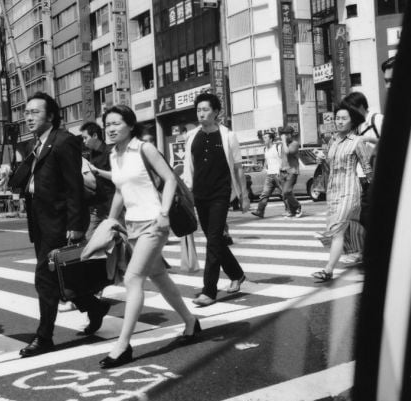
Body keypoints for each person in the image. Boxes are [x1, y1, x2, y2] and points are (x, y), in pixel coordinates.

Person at [100, 105, 199, 368]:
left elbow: (169, 179)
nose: (110, 128)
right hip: (132, 225)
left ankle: (122, 346)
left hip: (154, 223)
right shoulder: (114, 155)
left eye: (116, 123)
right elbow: (121, 190)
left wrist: (164, 212)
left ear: (130, 125)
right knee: (159, 276)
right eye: (107, 124)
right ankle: (190, 321)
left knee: (132, 278)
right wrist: (111, 220)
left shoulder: (144, 148)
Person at [14, 92, 110, 358]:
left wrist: (76, 224)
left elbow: (73, 187)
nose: (28, 117)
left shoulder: (63, 141)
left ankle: (44, 337)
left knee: (44, 279)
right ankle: (94, 306)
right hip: (41, 223)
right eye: (27, 112)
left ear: (52, 115)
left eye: (35, 112)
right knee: (61, 277)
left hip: (59, 223)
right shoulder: (39, 143)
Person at [181, 93, 249, 307]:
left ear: (216, 112)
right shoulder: (192, 137)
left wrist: (244, 196)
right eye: (198, 110)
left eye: (205, 109)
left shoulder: (228, 136)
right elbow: (188, 168)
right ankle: (237, 274)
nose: (201, 113)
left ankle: (209, 291)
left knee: (213, 240)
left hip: (221, 194)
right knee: (215, 239)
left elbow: (238, 168)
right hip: (200, 194)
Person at [311, 102, 373, 282]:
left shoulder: (357, 142)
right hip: (333, 192)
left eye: (343, 118)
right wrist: (322, 159)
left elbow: (367, 168)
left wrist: (376, 187)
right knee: (342, 230)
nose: (339, 121)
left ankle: (328, 270)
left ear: (352, 121)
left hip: (349, 190)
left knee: (337, 230)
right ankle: (371, 253)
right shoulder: (332, 141)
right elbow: (329, 169)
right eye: (337, 118)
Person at [342, 91, 383, 228]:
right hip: (362, 177)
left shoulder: (377, 119)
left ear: (359, 106)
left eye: (349, 110)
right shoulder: (359, 126)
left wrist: (367, 139)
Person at [79, 121, 115, 240]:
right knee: (89, 239)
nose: (84, 141)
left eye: (85, 138)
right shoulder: (90, 154)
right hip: (96, 207)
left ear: (95, 136)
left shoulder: (110, 152)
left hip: (113, 205)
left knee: (121, 240)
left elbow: (117, 176)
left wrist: (97, 171)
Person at [250, 130, 286, 219]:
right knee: (264, 194)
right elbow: (267, 160)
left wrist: (280, 170)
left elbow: (283, 158)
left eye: (266, 137)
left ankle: (290, 209)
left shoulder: (278, 147)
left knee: (284, 193)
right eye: (263, 138)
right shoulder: (265, 149)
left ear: (271, 139)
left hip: (278, 174)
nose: (264, 139)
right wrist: (264, 169)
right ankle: (260, 211)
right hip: (269, 175)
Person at [278, 125, 304, 218]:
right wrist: (280, 169)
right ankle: (291, 211)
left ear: (291, 134)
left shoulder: (295, 143)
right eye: (283, 134)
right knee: (285, 194)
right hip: (283, 171)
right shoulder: (282, 145)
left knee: (286, 191)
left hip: (292, 171)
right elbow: (283, 158)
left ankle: (298, 206)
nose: (284, 136)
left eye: (286, 134)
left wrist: (284, 141)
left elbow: (288, 152)